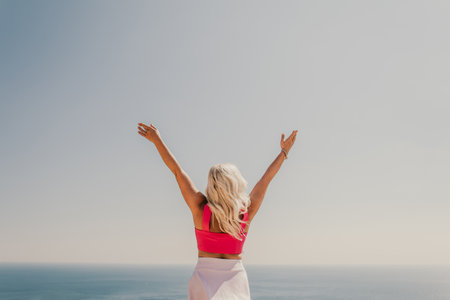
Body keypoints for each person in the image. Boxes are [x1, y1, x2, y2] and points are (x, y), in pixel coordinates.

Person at [137, 122, 299, 300]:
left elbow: (177, 171)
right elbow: (265, 180)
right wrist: (284, 153)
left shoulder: (200, 208)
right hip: (236, 280)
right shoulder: (245, 213)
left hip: (203, 281)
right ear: (235, 184)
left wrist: (157, 140)